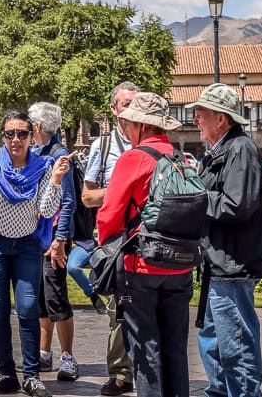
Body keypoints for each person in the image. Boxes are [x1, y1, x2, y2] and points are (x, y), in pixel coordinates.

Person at [98, 92, 192, 397]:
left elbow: (109, 213)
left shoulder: (133, 158)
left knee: (145, 349)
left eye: (128, 123)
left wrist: (106, 245)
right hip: (180, 266)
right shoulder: (180, 158)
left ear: (142, 126)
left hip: (141, 265)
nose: (124, 128)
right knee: (175, 349)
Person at [186, 83, 262, 397]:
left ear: (221, 119)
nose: (196, 119)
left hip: (233, 265)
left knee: (235, 344)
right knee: (213, 341)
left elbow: (237, 204)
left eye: (201, 113)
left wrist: (194, 197)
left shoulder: (240, 149)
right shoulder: (221, 150)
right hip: (219, 263)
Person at [0, 111, 69, 397]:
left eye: (22, 134)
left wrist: (55, 180)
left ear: (31, 136)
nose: (16, 139)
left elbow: (49, 208)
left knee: (28, 307)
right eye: (10, 134)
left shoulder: (42, 167)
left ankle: (31, 374)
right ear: (2, 136)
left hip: (27, 245)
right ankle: (6, 373)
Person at [79, 81, 138, 396]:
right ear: (114, 109)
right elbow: (87, 197)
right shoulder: (102, 148)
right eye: (125, 103)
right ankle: (120, 372)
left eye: (135, 102)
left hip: (147, 241)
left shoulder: (151, 142)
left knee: (148, 306)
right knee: (120, 308)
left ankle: (146, 367)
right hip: (115, 242)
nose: (130, 108)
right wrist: (121, 191)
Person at [27, 102, 79, 381]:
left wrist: (60, 240)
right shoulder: (39, 153)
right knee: (40, 299)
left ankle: (67, 356)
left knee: (56, 296)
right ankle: (44, 352)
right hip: (39, 236)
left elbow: (68, 201)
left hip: (53, 238)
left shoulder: (58, 155)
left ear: (37, 126)